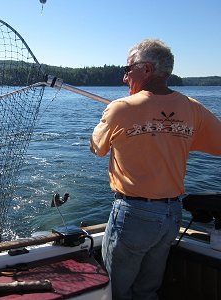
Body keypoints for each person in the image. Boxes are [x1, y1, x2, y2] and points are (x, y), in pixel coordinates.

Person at [89, 39, 221, 300]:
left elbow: (97, 148)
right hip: (171, 215)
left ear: (146, 69)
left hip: (134, 215)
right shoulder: (192, 108)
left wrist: (114, 116)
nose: (124, 76)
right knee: (147, 291)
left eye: (128, 69)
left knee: (116, 291)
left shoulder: (120, 108)